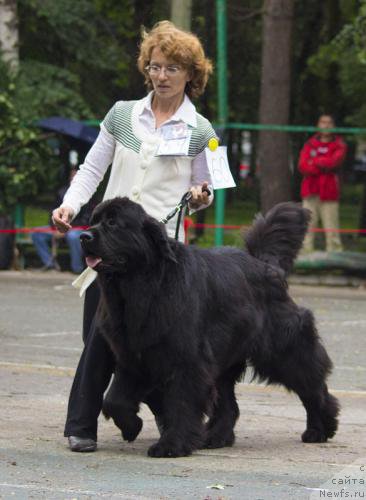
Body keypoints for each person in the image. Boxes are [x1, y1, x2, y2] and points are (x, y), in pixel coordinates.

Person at [52, 20, 217, 452]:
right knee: (99, 339)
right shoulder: (122, 114)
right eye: (155, 66)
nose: (161, 76)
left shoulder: (201, 131)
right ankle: (81, 425)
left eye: (172, 69)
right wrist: (71, 204)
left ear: (190, 76)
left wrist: (200, 196)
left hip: (160, 258)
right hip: (109, 246)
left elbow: (207, 190)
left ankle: (170, 420)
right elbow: (92, 168)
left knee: (161, 344)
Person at [298, 114, 347, 253]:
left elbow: (334, 162)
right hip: (310, 189)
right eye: (323, 122)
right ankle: (305, 254)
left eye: (329, 122)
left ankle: (335, 255)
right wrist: (323, 163)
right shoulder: (310, 143)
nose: (326, 125)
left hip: (329, 191)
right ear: (318, 125)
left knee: (331, 226)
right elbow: (302, 166)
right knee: (307, 225)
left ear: (333, 126)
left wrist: (314, 161)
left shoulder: (339, 144)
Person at [32, 168, 92, 274]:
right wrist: (56, 226)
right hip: (59, 227)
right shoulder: (61, 192)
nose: (74, 179)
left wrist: (66, 228)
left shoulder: (89, 195)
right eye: (72, 177)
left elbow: (87, 220)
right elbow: (54, 211)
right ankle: (49, 265)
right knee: (37, 233)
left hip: (76, 229)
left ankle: (77, 269)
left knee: (73, 237)